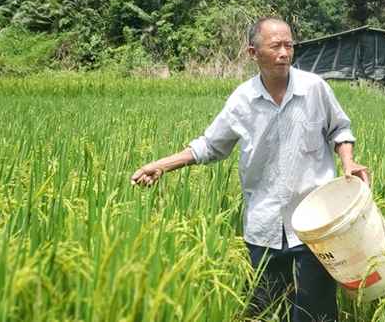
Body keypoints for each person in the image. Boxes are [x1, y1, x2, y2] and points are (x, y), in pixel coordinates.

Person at [131, 17, 369, 322]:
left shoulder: (315, 89)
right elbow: (209, 146)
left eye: (289, 45)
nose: (284, 52)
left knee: (316, 314)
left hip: (314, 227)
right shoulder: (242, 101)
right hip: (264, 228)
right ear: (252, 53)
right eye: (275, 46)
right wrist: (161, 165)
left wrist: (348, 160)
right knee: (266, 313)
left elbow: (340, 130)